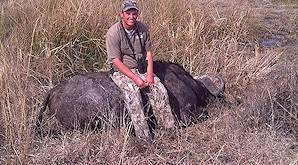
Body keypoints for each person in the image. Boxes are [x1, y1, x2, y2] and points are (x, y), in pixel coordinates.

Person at [105, 0, 175, 142]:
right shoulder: (113, 32)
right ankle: (144, 139)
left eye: (134, 13)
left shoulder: (142, 28)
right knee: (133, 93)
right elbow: (115, 61)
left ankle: (169, 131)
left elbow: (148, 52)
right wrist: (135, 78)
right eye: (128, 13)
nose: (131, 16)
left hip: (141, 67)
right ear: (122, 14)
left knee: (159, 89)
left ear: (137, 14)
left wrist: (149, 74)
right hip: (121, 70)